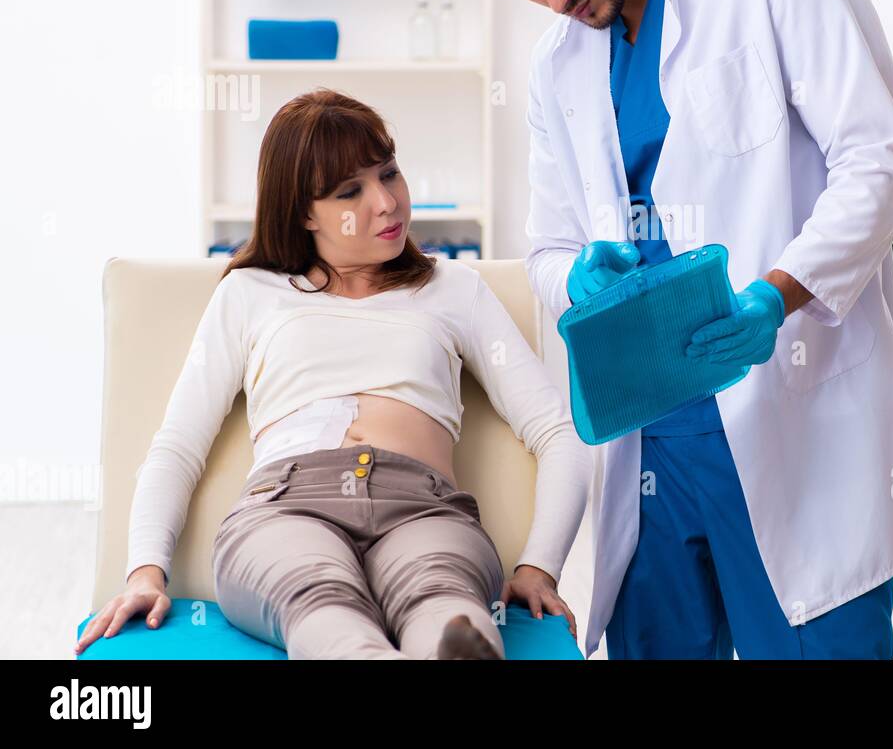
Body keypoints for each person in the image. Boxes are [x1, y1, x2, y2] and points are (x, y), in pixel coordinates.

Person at [450, 0, 893, 659]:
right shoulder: (557, 66)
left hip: (788, 407)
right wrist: (579, 277)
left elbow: (880, 161)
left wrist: (778, 293)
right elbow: (545, 248)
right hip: (651, 455)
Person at [74, 88, 591, 659]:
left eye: (389, 174)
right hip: (285, 505)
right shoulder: (250, 294)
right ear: (301, 211)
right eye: (352, 192)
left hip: (423, 505)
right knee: (319, 600)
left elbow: (557, 430)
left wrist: (539, 565)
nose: (387, 202)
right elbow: (177, 445)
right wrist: (145, 572)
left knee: (444, 600)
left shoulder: (454, 289)